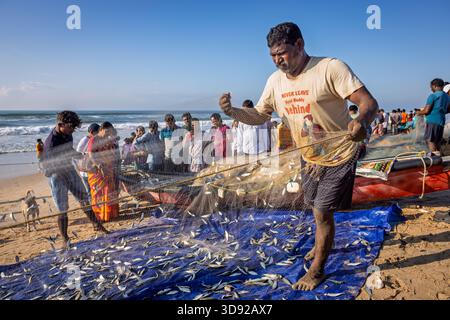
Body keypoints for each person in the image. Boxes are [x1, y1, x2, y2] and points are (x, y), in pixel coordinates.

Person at [219, 22, 378, 290]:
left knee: (321, 212)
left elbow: (368, 103)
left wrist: (361, 122)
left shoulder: (330, 68)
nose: (278, 60)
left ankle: (317, 270)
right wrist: (233, 112)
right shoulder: (274, 81)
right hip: (309, 158)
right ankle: (320, 245)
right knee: (314, 205)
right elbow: (259, 115)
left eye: (282, 52)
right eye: (272, 55)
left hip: (339, 154)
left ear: (300, 45)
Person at [41, 111, 109, 247]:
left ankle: (96, 225)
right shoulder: (51, 143)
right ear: (61, 125)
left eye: (73, 128)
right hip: (55, 174)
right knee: (63, 208)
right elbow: (47, 168)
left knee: (84, 198)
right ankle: (65, 238)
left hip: (69, 170)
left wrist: (82, 156)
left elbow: (70, 151)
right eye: (70, 127)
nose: (72, 130)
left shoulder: (68, 133)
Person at [87, 122, 121, 222]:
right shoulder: (94, 139)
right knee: (98, 194)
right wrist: (99, 165)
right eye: (106, 131)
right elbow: (91, 154)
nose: (107, 134)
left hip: (108, 170)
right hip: (97, 171)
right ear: (101, 129)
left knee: (110, 191)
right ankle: (100, 216)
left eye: (109, 132)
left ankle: (110, 214)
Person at [416, 78, 450, 155]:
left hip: (432, 121)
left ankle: (434, 157)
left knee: (430, 140)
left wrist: (418, 112)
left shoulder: (433, 96)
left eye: (431, 87)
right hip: (441, 121)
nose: (431, 89)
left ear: (434, 86)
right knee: (437, 141)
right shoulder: (447, 97)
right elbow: (448, 110)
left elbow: (426, 111)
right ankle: (441, 157)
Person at [76, 123, 100, 194]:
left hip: (92, 170)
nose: (99, 134)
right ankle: (92, 204)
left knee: (94, 190)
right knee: (89, 191)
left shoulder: (94, 139)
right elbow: (78, 154)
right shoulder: (85, 140)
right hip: (86, 171)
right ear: (92, 132)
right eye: (97, 132)